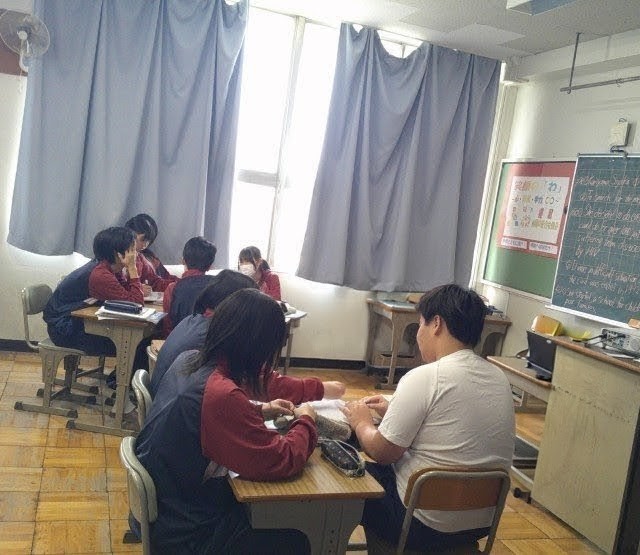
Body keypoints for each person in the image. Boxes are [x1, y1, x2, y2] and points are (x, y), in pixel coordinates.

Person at [135, 289, 317, 554]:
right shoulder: (222, 395)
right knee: (298, 540)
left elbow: (206, 419)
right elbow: (281, 458)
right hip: (186, 531)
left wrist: (259, 411)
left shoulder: (189, 360)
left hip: (166, 510)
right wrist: (307, 421)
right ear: (259, 348)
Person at [343, 284, 515, 551]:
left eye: (420, 323)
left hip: (420, 522)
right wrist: (394, 413)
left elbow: (382, 452)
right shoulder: (499, 378)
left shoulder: (426, 376)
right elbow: (453, 430)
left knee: (347, 472)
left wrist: (361, 421)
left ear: (436, 323)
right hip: (480, 521)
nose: (418, 333)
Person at [150, 269, 345, 401]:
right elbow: (258, 382)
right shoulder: (218, 336)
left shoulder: (193, 321)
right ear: (235, 305)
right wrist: (319, 390)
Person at [44, 227, 143, 355]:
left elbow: (127, 294)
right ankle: (121, 369)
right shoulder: (100, 275)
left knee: (135, 342)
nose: (136, 255)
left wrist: (130, 272)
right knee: (134, 345)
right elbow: (136, 304)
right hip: (65, 329)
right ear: (118, 253)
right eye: (132, 250)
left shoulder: (110, 267)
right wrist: (132, 268)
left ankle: (121, 369)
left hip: (75, 323)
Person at [162, 236, 217, 336]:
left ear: (183, 260)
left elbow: (168, 325)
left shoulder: (172, 288)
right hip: (209, 342)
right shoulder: (217, 287)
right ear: (210, 266)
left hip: (177, 340)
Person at [124, 213, 178, 293]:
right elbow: (115, 285)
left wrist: (183, 283)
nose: (145, 244)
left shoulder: (143, 257)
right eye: (143, 240)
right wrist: (136, 288)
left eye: (149, 240)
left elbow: (155, 281)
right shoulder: (117, 257)